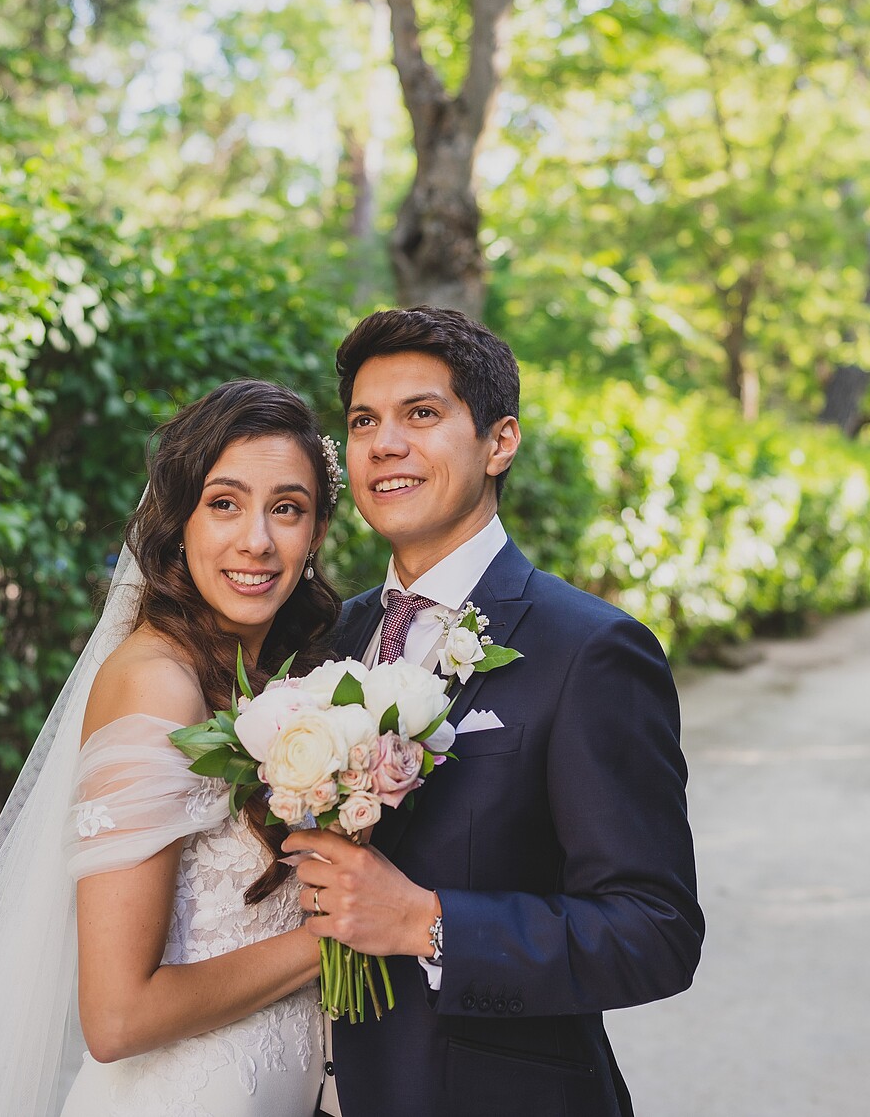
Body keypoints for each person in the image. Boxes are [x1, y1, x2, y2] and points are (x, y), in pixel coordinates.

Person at [0, 379, 342, 1117]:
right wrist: (336, 938)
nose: (257, 539)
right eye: (224, 502)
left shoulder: (284, 679)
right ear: (178, 521)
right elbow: (118, 1018)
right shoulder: (159, 685)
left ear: (315, 534)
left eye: (287, 508)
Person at [285, 307, 703, 1117]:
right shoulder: (324, 635)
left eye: (422, 414)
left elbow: (656, 932)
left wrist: (428, 924)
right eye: (364, 421)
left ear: (500, 441)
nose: (385, 445)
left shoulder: (590, 650)